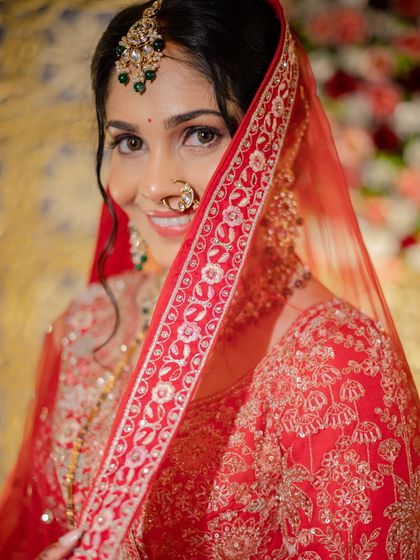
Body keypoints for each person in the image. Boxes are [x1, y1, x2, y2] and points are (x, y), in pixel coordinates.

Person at [0, 0, 419, 558]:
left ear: (278, 138)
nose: (153, 186)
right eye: (129, 141)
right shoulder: (89, 322)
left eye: (199, 134)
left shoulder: (338, 370)